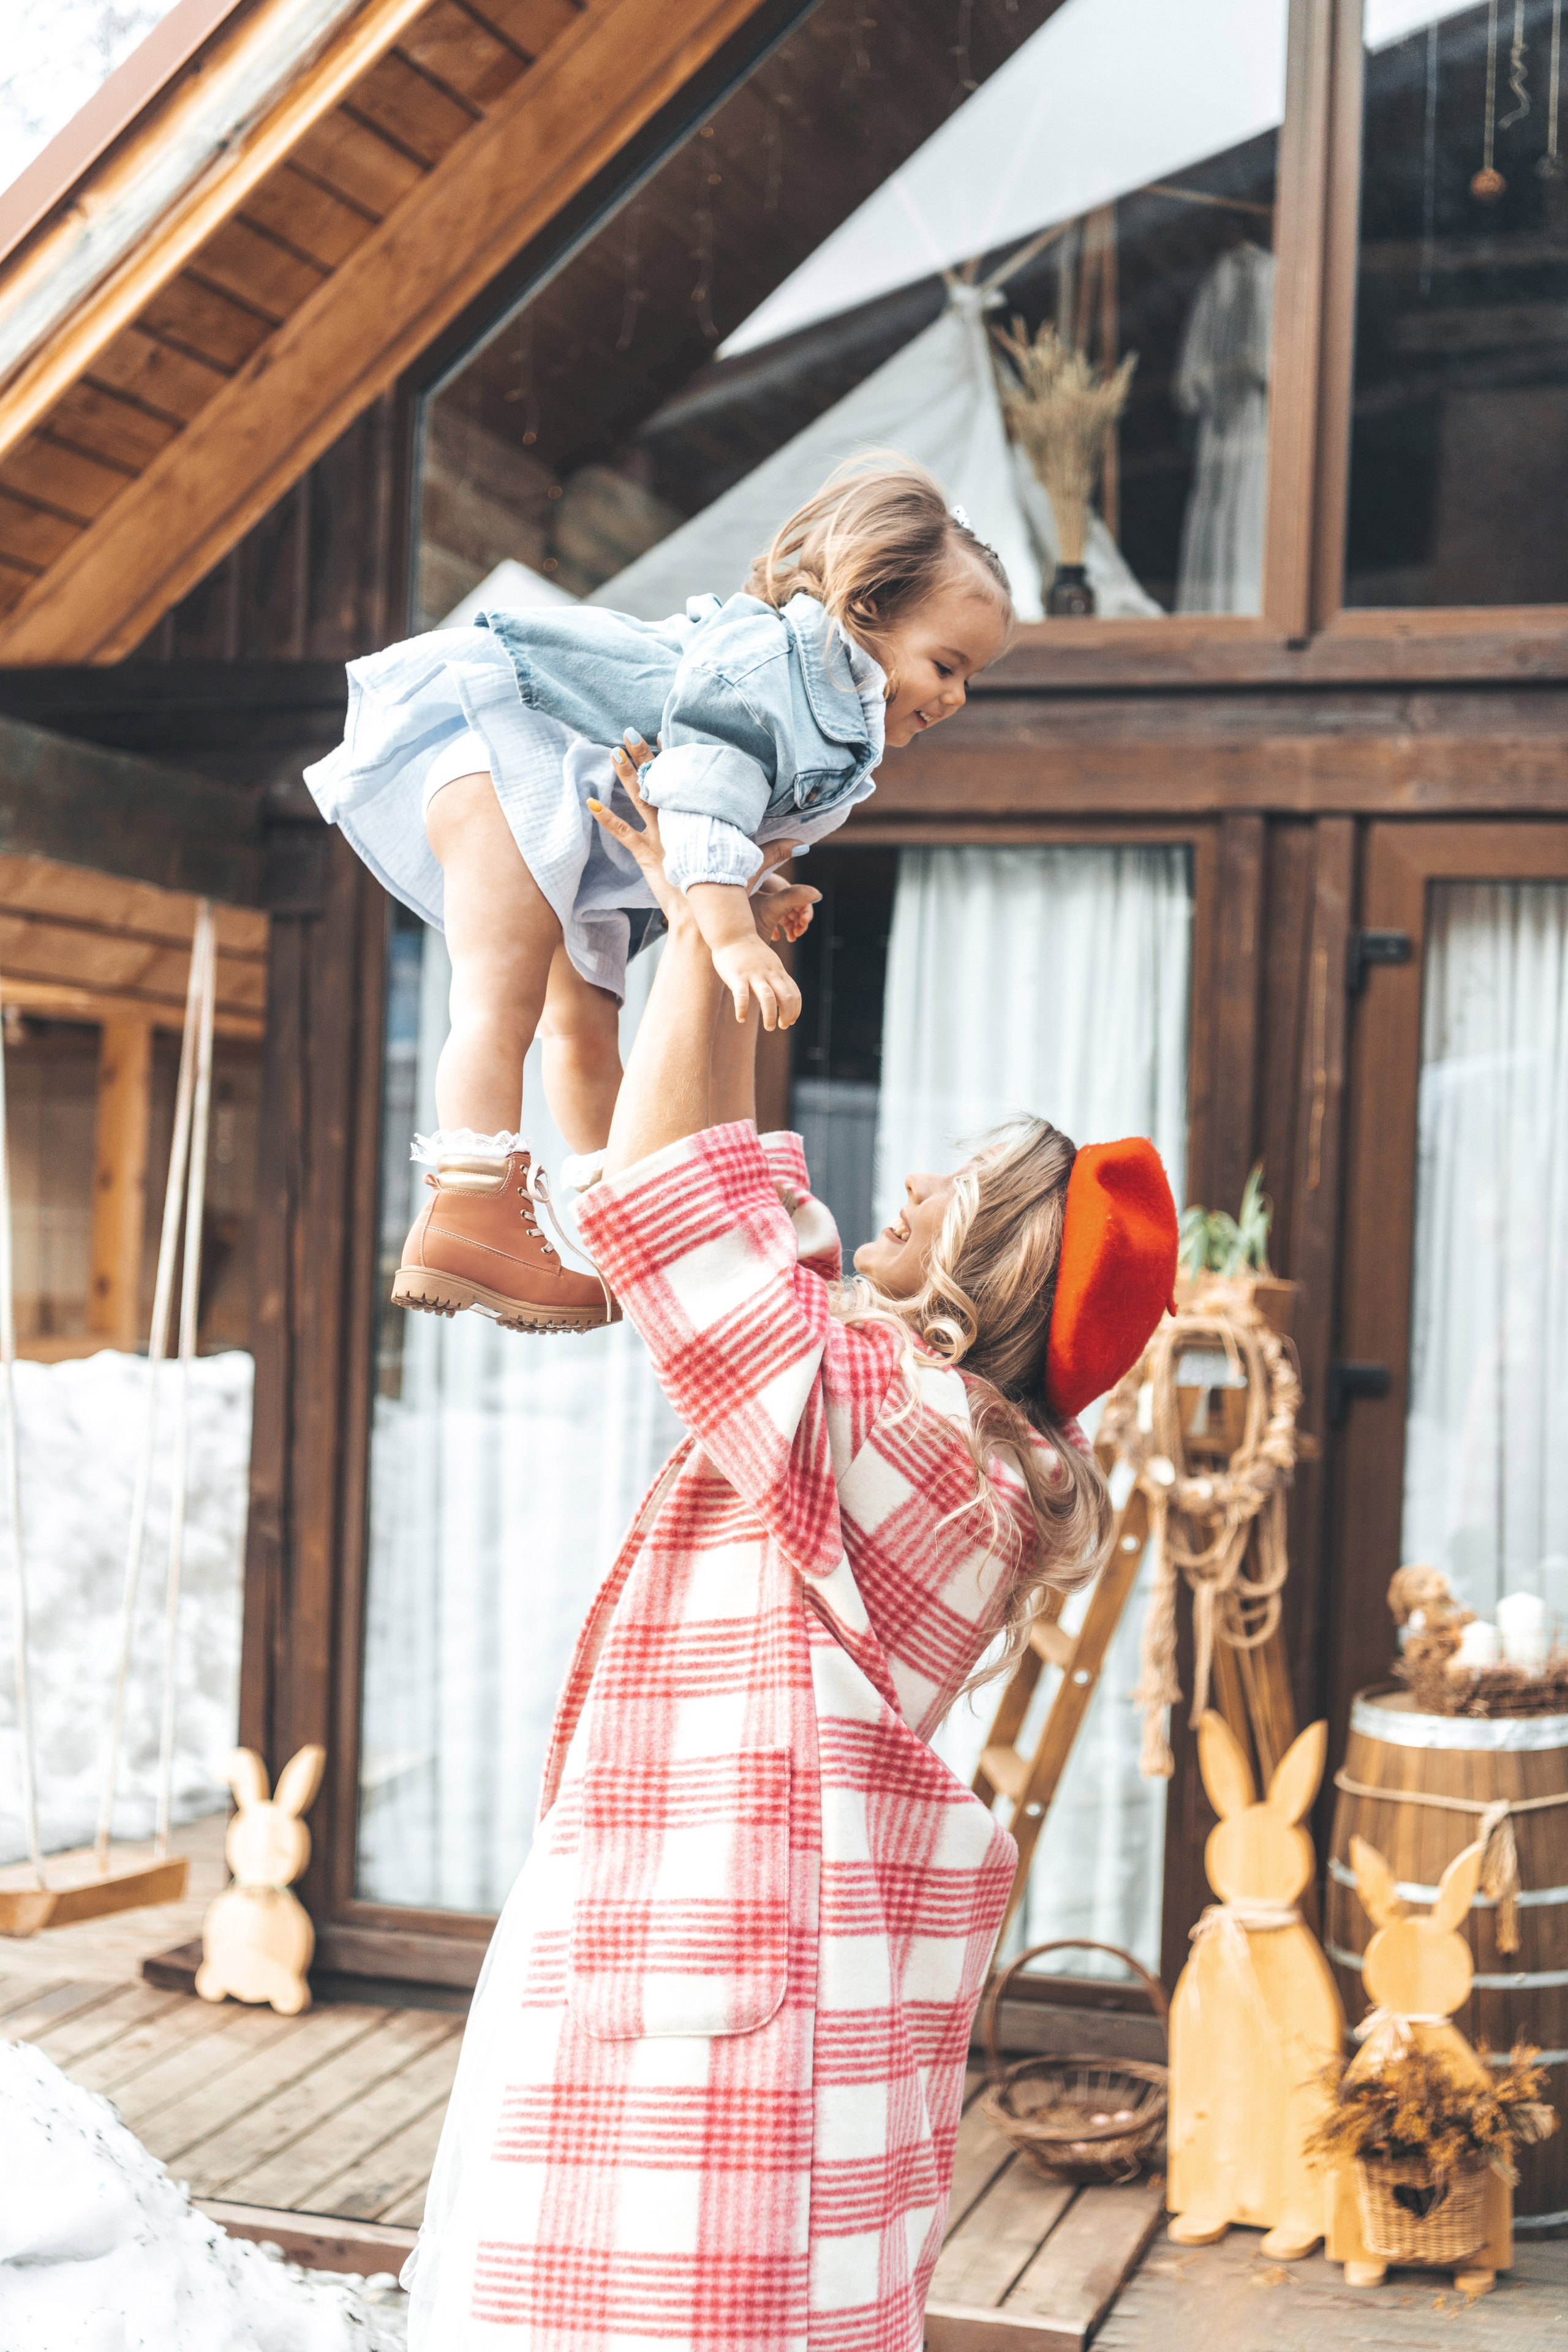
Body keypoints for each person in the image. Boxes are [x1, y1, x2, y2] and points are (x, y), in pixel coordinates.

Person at [401, 774, 1178, 2352]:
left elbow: (675, 1198)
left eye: (957, 1185)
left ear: (997, 1263)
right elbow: (720, 1186)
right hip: (726, 1944)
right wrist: (722, 926)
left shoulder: (916, 1437)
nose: (913, 1182)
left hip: (716, 1960)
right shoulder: (955, 1440)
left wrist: (705, 916)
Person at [303, 460, 1014, 1333]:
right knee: (500, 1001)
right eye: (946, 665)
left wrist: (755, 891)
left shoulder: (829, 706)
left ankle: (630, 1219)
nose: (956, 696)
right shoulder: (775, 669)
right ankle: (468, 1212)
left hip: (579, 818)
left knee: (584, 1027)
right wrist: (733, 936)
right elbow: (705, 790)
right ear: (868, 609)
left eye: (970, 678)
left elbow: (726, 814)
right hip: (517, 769)